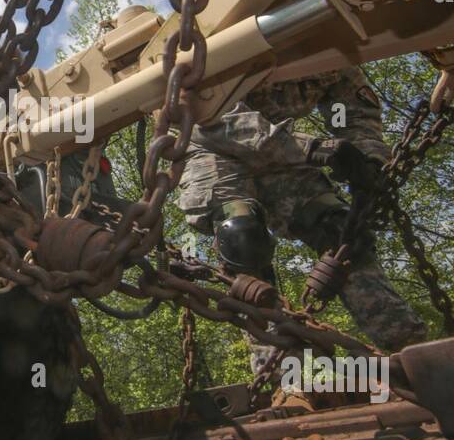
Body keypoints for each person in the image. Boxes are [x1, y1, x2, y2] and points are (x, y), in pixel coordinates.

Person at [178, 67, 427, 361]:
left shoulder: (329, 53)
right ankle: (277, 368)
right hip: (212, 148)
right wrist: (315, 149)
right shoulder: (225, 42)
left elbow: (353, 114)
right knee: (242, 237)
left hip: (283, 148)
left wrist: (368, 158)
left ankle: (408, 347)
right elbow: (216, 119)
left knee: (339, 230)